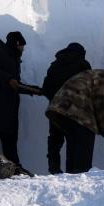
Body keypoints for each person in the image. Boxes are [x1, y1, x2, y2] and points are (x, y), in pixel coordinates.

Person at [0, 31, 39, 174]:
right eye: (22, 46)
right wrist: (8, 79)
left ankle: (15, 168)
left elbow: (14, 84)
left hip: (7, 112)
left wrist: (32, 90)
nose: (23, 50)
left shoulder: (12, 58)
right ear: (16, 44)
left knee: (10, 143)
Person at [47, 67, 104, 173]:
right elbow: (102, 104)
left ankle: (71, 177)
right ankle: (80, 174)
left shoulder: (92, 74)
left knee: (74, 146)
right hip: (76, 111)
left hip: (58, 108)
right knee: (85, 139)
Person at [41, 42, 92, 174]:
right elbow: (89, 89)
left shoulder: (55, 65)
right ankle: (72, 171)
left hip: (55, 109)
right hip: (73, 110)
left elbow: (45, 87)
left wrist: (55, 98)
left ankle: (54, 168)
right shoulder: (83, 65)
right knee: (73, 139)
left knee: (55, 138)